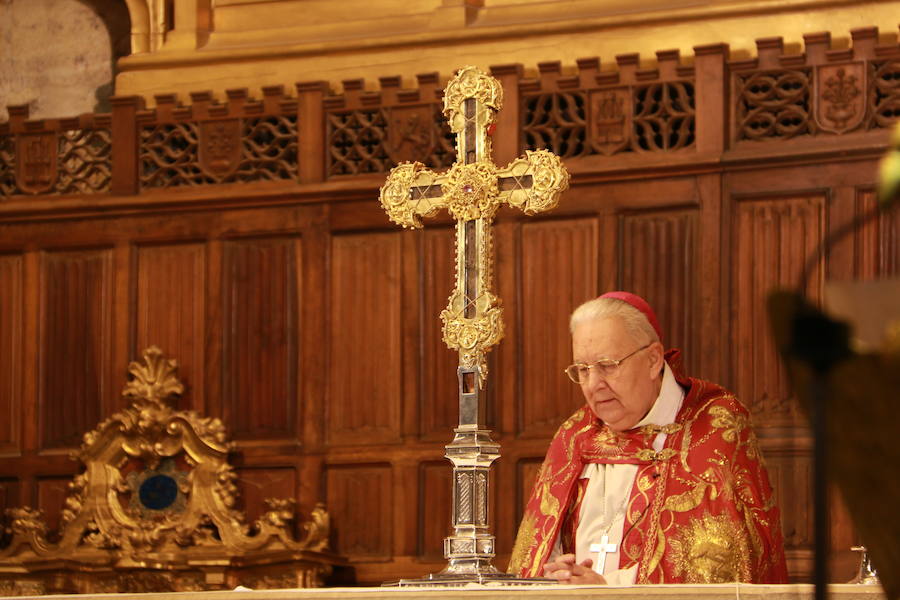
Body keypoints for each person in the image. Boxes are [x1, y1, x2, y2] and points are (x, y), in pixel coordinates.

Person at [508, 292, 788, 584]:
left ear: (653, 360)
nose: (593, 385)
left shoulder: (713, 427)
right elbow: (534, 555)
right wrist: (556, 572)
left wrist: (609, 588)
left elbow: (724, 564)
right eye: (582, 369)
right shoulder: (574, 435)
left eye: (607, 365)